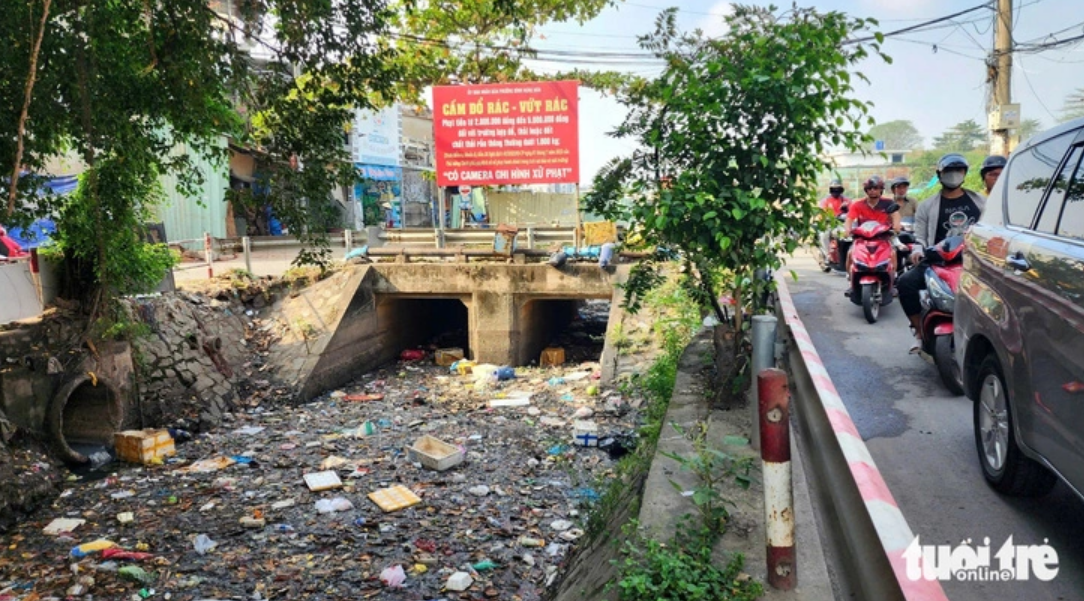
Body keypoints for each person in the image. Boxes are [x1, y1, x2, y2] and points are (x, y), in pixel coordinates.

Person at [898, 153, 986, 352]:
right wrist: (918, 251)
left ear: (965, 173)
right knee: (905, 283)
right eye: (949, 171)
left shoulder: (980, 202)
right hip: (936, 262)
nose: (954, 175)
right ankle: (919, 330)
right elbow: (920, 237)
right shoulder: (927, 206)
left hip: (973, 262)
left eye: (958, 170)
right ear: (940, 174)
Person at [843, 175, 901, 274]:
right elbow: (849, 219)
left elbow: (896, 215)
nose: (872, 190)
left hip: (884, 236)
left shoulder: (888, 203)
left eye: (875, 188)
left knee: (895, 251)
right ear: (866, 190)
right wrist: (847, 230)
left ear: (881, 189)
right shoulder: (858, 204)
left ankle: (893, 275)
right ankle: (851, 277)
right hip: (863, 237)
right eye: (869, 188)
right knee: (850, 252)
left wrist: (896, 226)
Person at [819, 178, 850, 261]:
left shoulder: (846, 200)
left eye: (838, 189)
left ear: (841, 190)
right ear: (830, 190)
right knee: (824, 235)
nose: (836, 191)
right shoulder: (825, 200)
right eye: (834, 189)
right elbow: (821, 213)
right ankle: (828, 255)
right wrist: (827, 217)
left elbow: (852, 212)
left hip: (842, 224)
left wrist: (847, 210)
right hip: (830, 224)